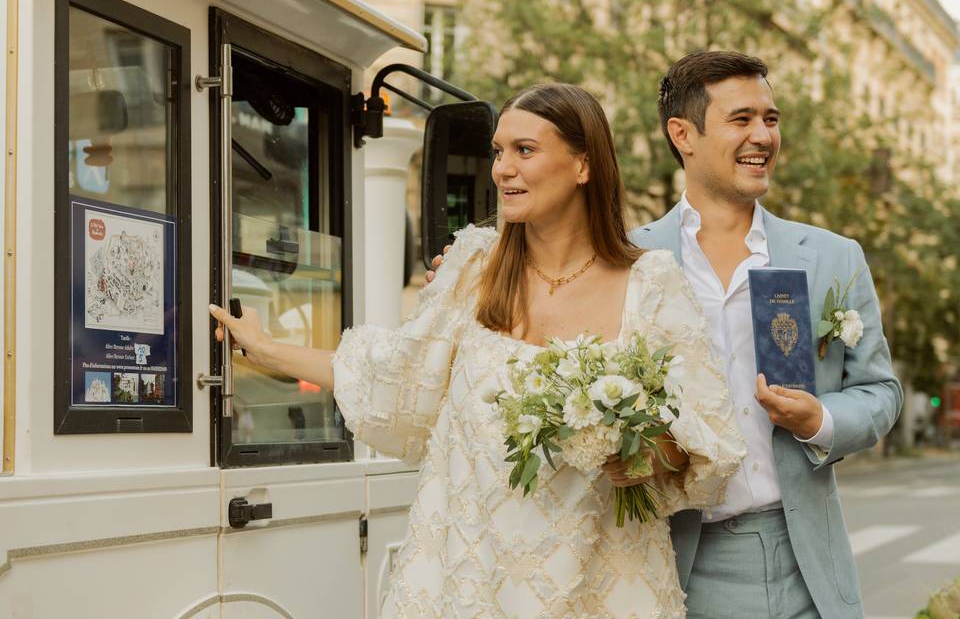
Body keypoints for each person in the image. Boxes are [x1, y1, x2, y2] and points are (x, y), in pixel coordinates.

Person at [211, 83, 744, 618]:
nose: (502, 169)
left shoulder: (650, 284)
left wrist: (641, 455)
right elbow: (391, 376)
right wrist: (265, 349)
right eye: (498, 151)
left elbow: (703, 440)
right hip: (466, 581)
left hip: (601, 586)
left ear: (583, 165)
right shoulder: (472, 268)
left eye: (525, 151)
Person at [603, 51, 903, 618]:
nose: (763, 135)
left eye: (771, 118)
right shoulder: (627, 258)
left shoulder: (834, 258)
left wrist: (821, 421)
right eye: (742, 119)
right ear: (683, 134)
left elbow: (881, 393)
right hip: (678, 565)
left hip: (807, 568)